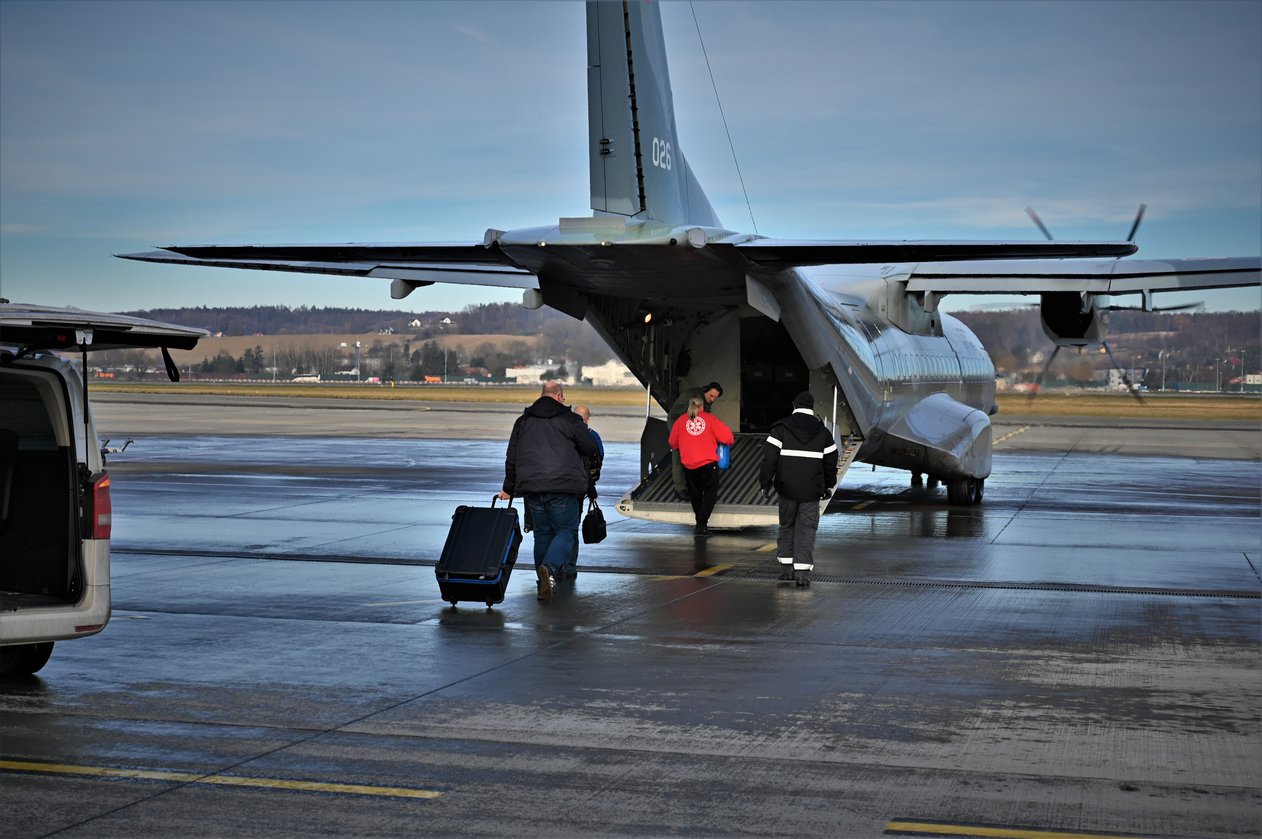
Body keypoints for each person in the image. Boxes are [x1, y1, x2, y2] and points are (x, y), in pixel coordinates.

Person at [498, 381, 598, 603]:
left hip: (532, 488)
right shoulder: (570, 420)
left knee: (541, 535)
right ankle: (549, 568)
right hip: (563, 486)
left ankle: (542, 583)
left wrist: (508, 487)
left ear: (542, 395)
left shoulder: (523, 421)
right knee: (566, 530)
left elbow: (511, 456)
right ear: (560, 396)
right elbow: (590, 447)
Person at [759, 391, 839, 587]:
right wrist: (828, 485)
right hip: (811, 491)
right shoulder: (824, 433)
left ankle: (786, 570)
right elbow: (831, 462)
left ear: (794, 405)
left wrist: (765, 484)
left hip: (786, 489)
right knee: (807, 529)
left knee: (787, 525)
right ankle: (802, 573)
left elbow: (769, 459)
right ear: (812, 407)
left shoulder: (780, 429)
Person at [668, 394, 734, 536]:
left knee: (695, 496)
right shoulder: (710, 419)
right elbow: (727, 437)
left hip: (689, 466)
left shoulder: (680, 421)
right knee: (710, 494)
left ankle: (700, 524)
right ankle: (701, 524)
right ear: (703, 406)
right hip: (708, 464)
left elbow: (673, 443)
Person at [563, 405, 604, 579]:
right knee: (572, 526)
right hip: (580, 486)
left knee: (557, 527)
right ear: (587, 419)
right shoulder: (592, 436)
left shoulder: (564, 433)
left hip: (560, 484)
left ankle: (554, 564)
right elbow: (599, 457)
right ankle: (570, 567)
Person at [666, 381, 723, 496]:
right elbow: (691, 418)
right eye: (711, 396)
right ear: (706, 390)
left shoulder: (707, 399)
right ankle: (679, 489)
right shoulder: (695, 398)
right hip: (677, 422)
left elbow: (706, 418)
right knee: (678, 454)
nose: (712, 399)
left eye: (715, 398)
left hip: (689, 421)